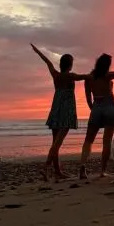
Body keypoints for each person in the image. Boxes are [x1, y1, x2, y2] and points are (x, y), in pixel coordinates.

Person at [30, 43, 88, 180]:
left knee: (55, 142)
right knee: (58, 143)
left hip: (56, 109)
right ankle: (46, 167)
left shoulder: (55, 75)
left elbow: (47, 61)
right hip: (66, 110)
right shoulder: (70, 76)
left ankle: (57, 171)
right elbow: (86, 76)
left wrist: (38, 51)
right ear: (70, 64)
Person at [79, 39, 114, 179]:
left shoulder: (89, 77)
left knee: (88, 139)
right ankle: (102, 171)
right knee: (106, 141)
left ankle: (83, 167)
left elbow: (88, 98)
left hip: (97, 105)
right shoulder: (107, 76)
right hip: (110, 105)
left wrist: (94, 109)